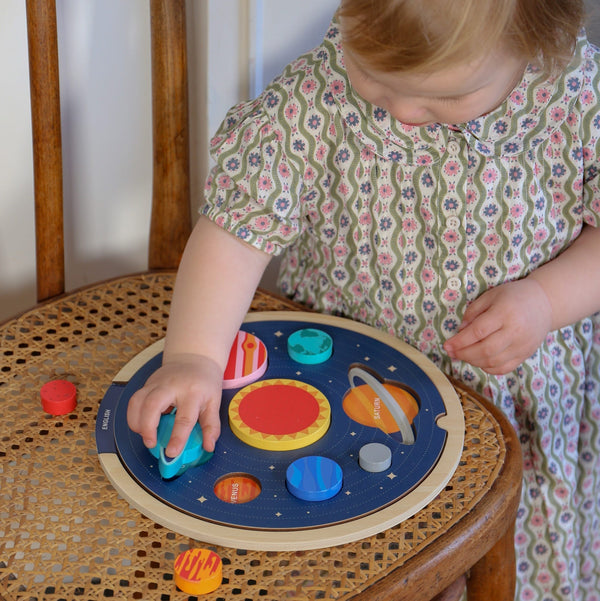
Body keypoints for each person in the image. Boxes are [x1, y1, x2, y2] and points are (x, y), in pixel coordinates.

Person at [127, 0, 600, 598]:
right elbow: (234, 233)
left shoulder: (576, 98)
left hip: (505, 402)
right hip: (341, 390)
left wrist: (547, 301)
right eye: (374, 78)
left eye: (449, 99)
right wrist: (193, 357)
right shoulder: (319, 95)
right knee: (359, 561)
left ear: (539, 39)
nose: (401, 113)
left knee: (489, 563)